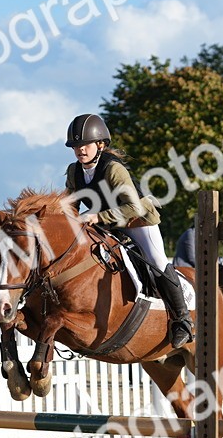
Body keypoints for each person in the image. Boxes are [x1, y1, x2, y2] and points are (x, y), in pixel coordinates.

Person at [63, 112, 194, 348]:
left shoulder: (113, 169)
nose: (80, 150)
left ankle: (182, 320)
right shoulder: (74, 172)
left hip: (137, 220)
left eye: (85, 145)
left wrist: (97, 216)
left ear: (100, 144)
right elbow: (70, 207)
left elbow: (133, 206)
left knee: (156, 260)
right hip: (104, 222)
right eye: (76, 146)